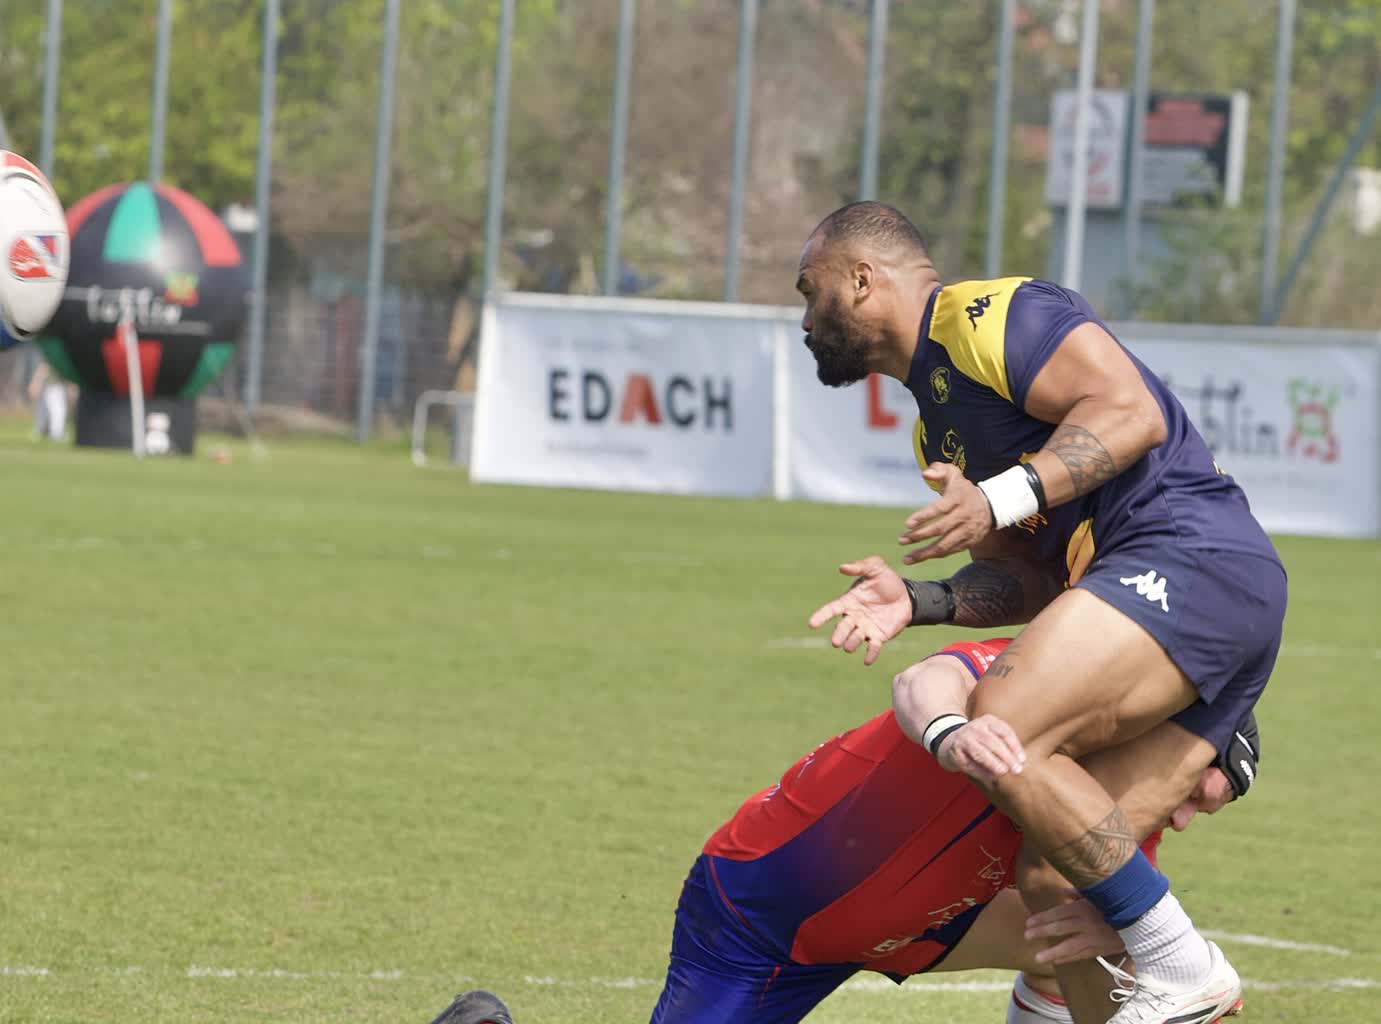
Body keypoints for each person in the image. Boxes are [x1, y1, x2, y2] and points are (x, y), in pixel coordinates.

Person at [798, 201, 1286, 1024]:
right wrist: (919, 599)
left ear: (862, 278)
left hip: (1190, 556)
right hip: (1165, 593)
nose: (805, 319)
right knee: (1055, 885)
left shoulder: (990, 316)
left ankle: (1183, 965)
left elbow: (1130, 414)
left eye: (809, 291)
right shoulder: (936, 435)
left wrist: (998, 497)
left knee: (1002, 721)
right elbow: (1025, 580)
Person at [424, 640, 1259, 1024]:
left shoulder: (1121, 825)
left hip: (901, 926)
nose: (1184, 814)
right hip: (761, 913)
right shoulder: (1047, 680)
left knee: (1097, 946)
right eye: (1196, 789)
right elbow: (928, 675)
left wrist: (1121, 936)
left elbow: (1075, 922)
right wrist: (949, 732)